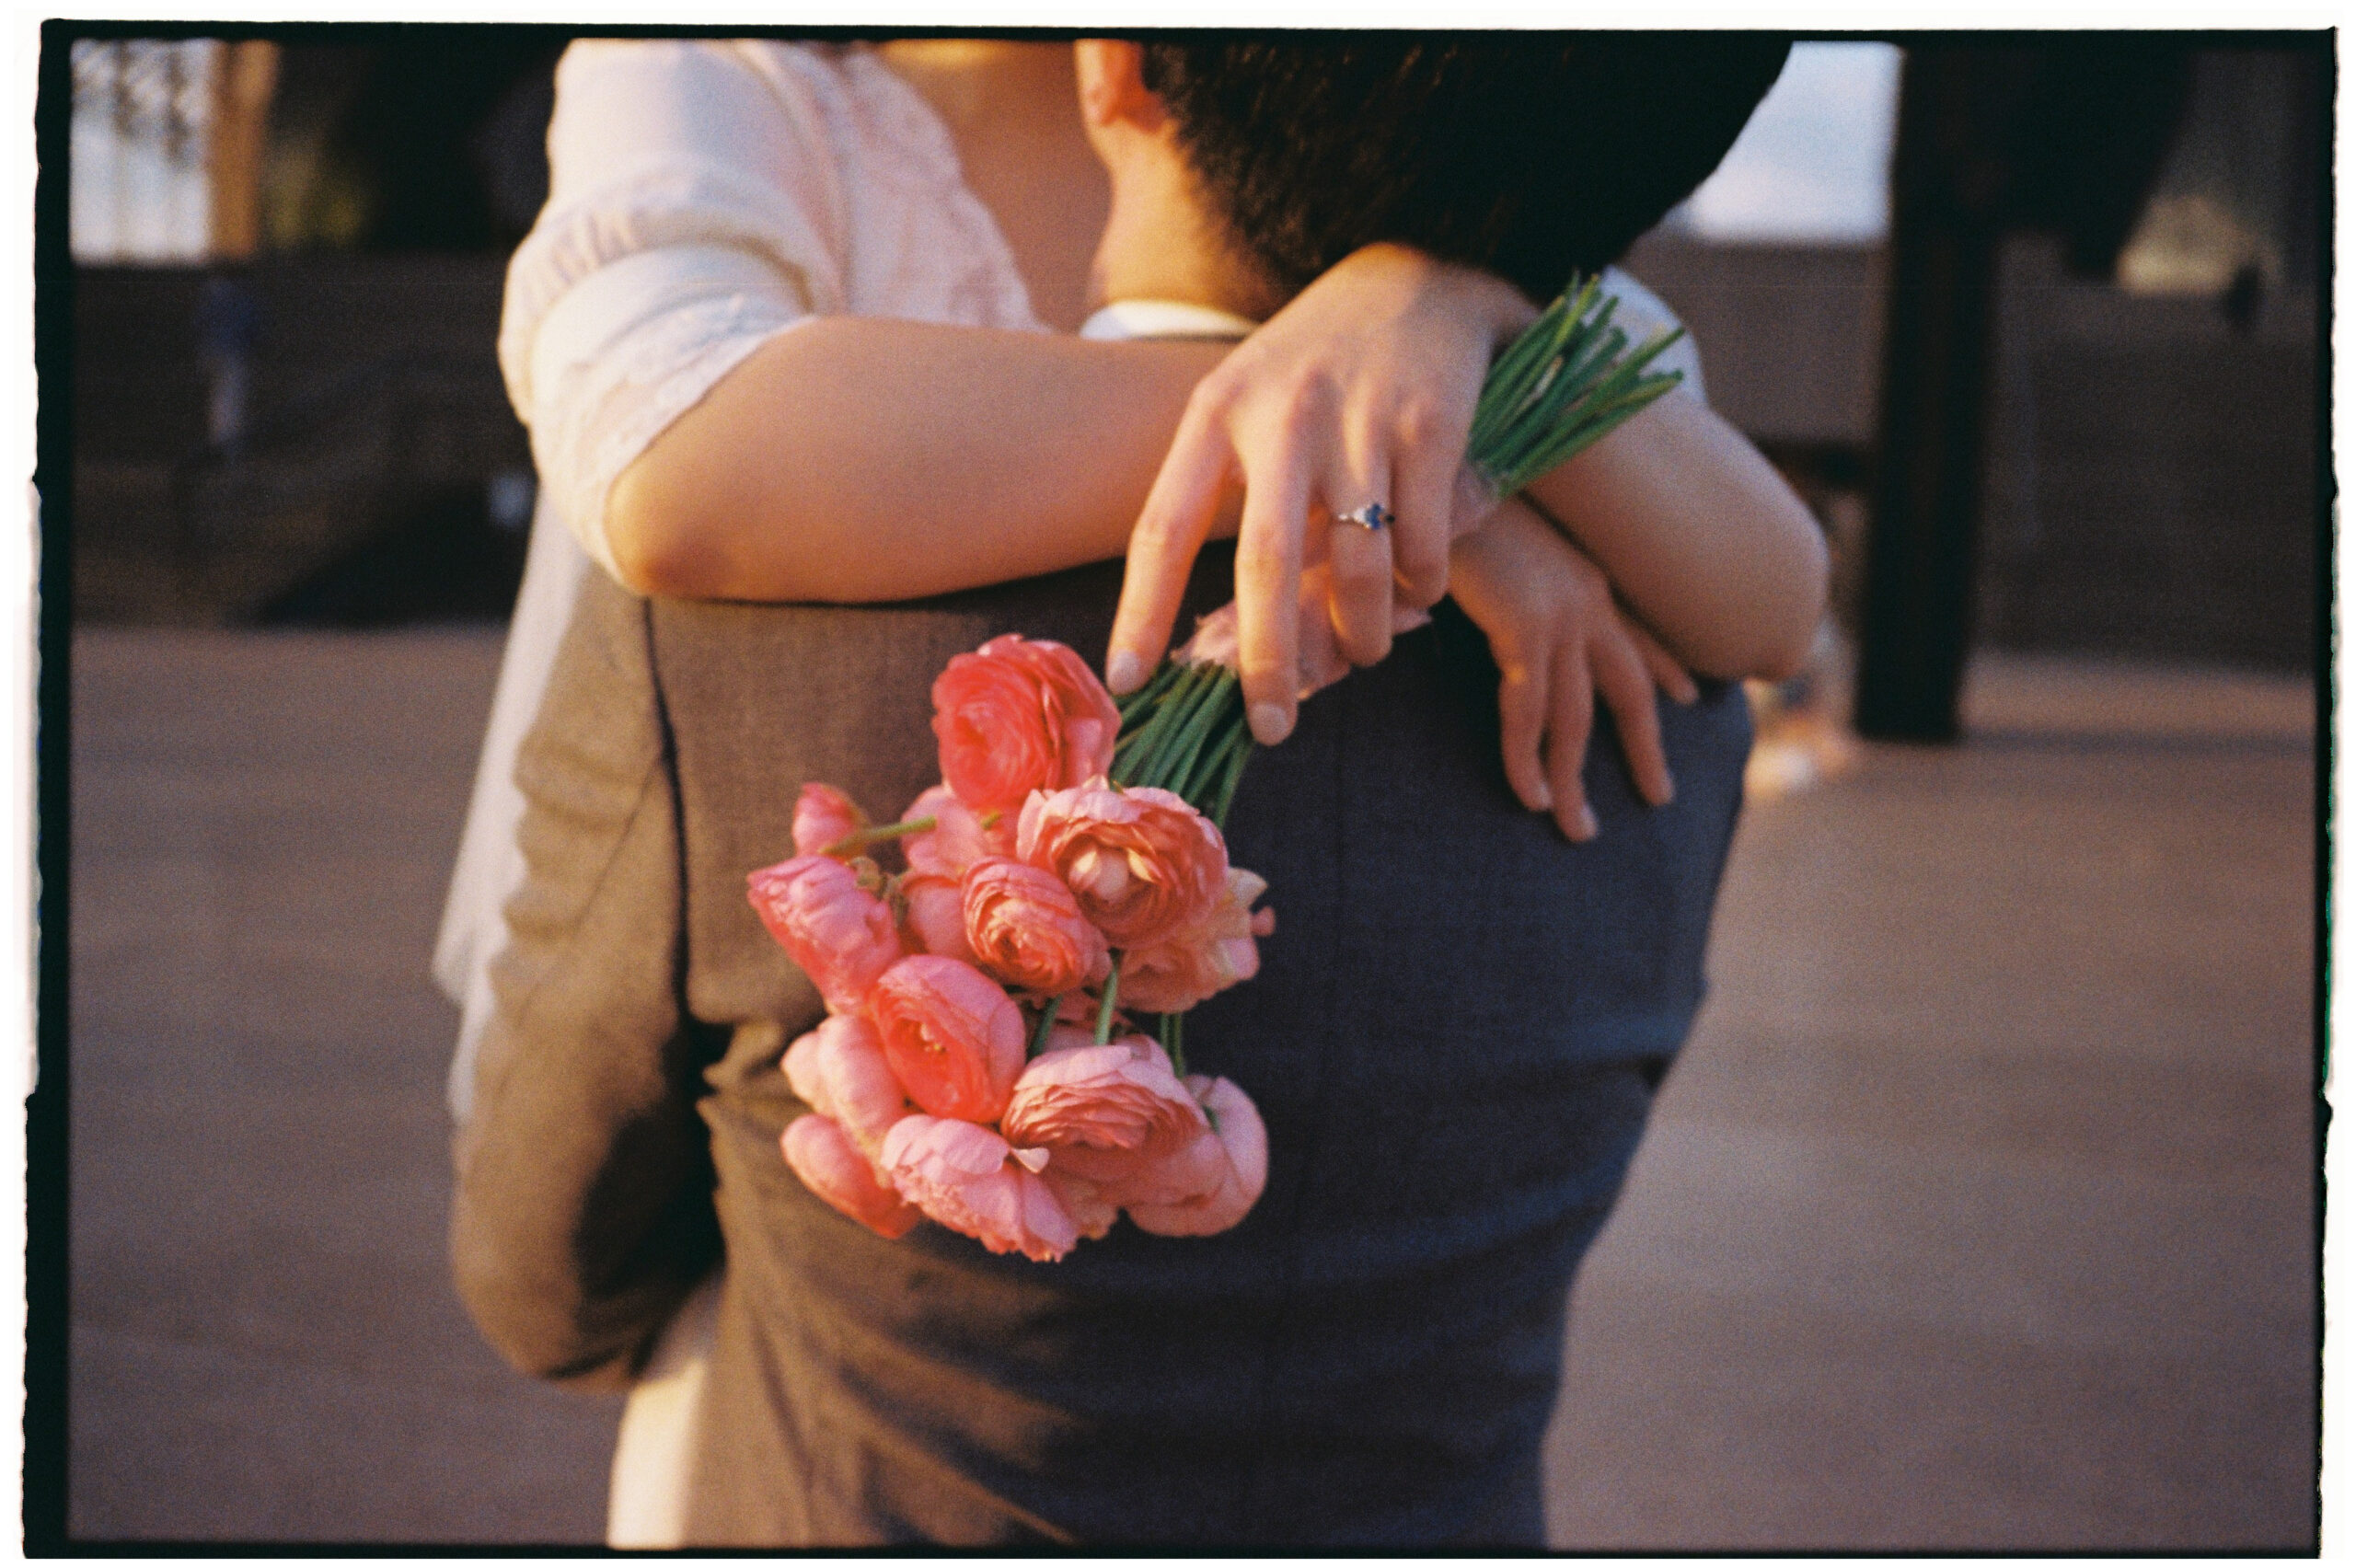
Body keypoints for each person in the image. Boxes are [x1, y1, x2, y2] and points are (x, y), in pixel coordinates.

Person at [450, 35, 1816, 1545]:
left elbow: (546, 1271)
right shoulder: (1660, 696)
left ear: (1123, 72)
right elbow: (1780, 601)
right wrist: (1444, 405)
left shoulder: (735, 652)